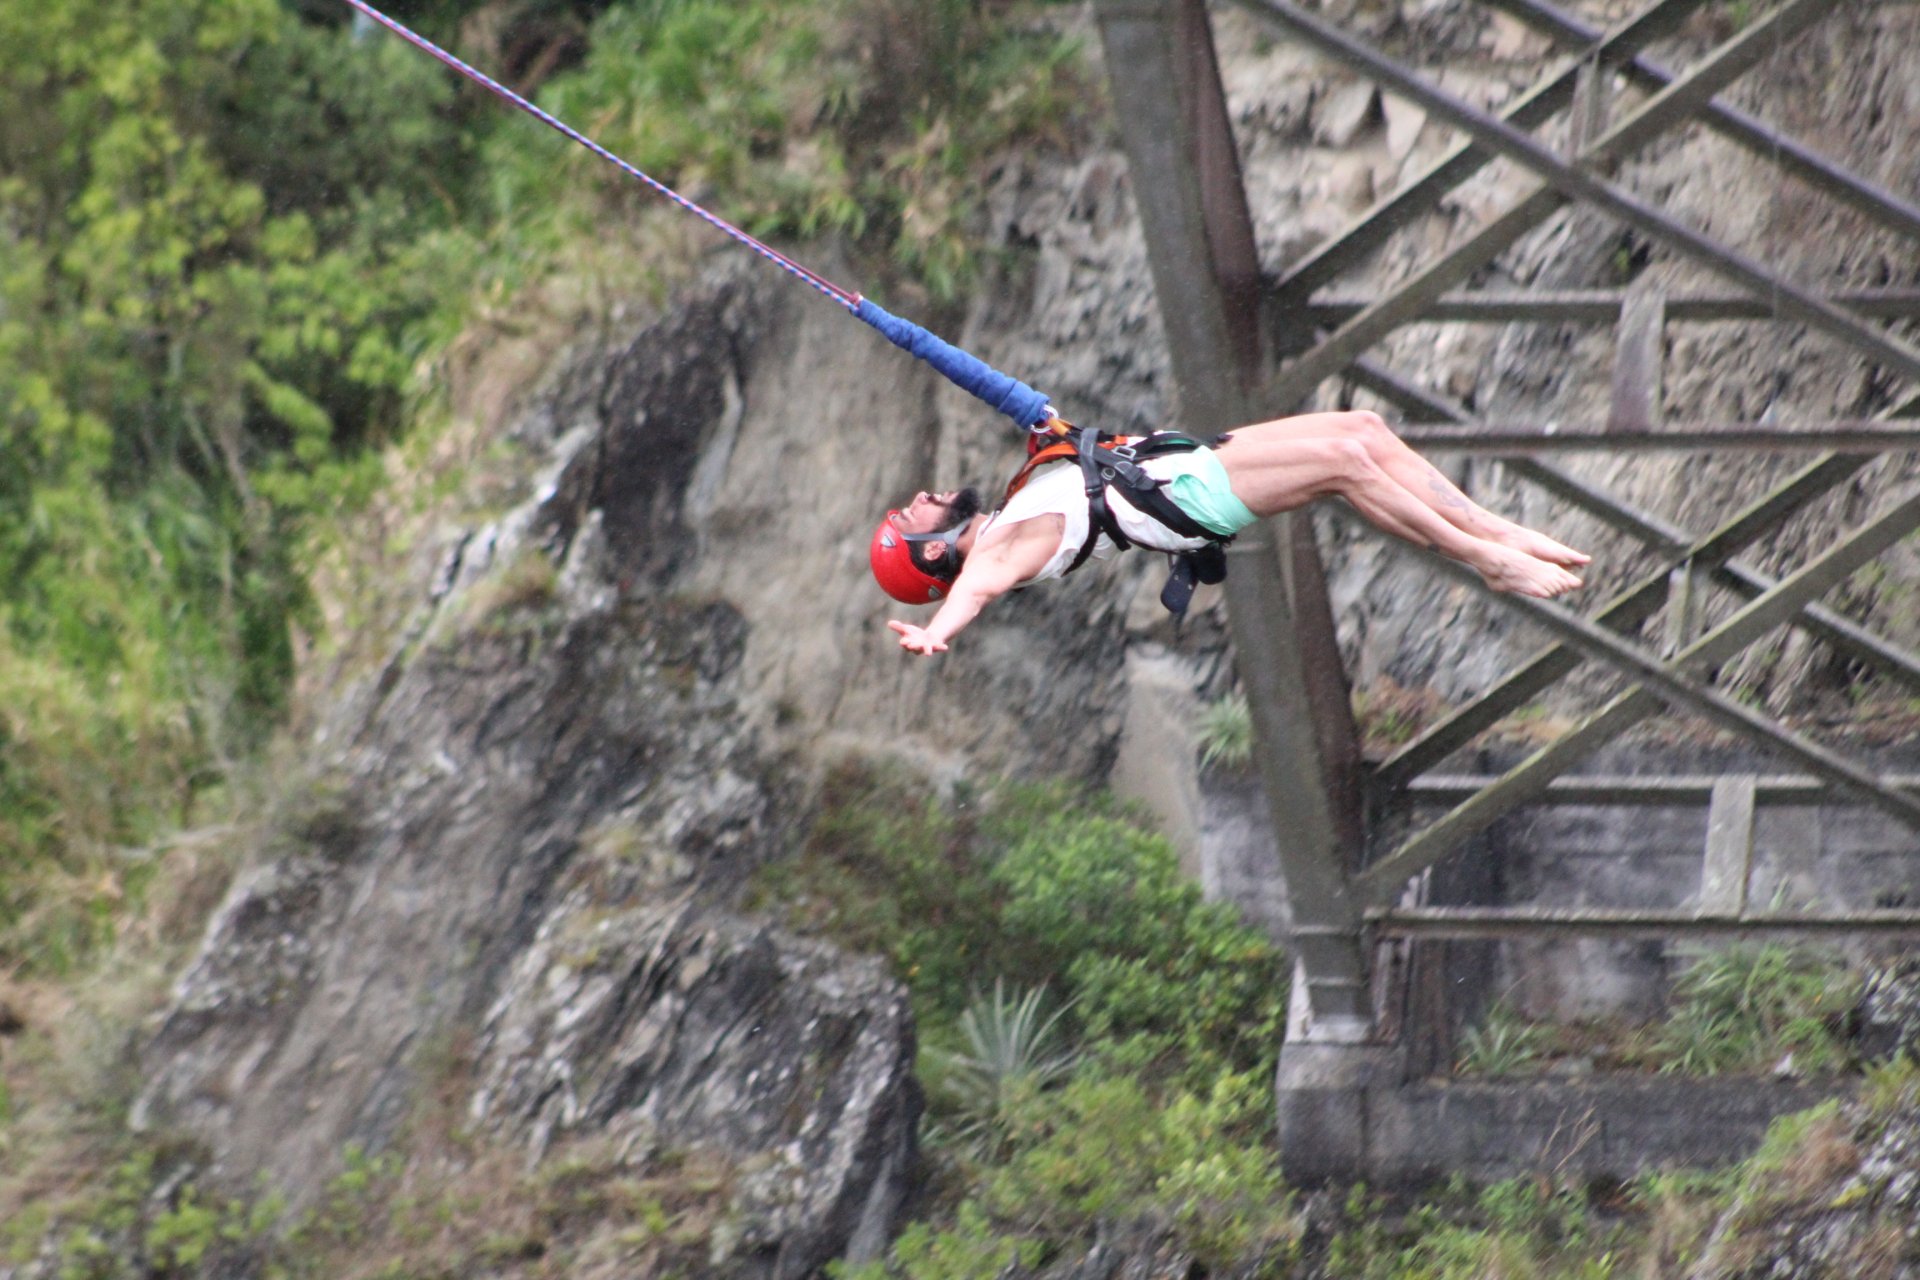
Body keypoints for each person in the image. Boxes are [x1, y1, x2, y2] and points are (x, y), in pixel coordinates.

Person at [870, 409, 1587, 656]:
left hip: (1184, 463)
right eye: (912, 516)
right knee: (1345, 463)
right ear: (934, 549)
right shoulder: (991, 555)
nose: (920, 497)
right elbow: (976, 591)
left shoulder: (1008, 510)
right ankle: (1487, 561)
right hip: (1185, 496)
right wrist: (941, 630)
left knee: (1361, 429)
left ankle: (1498, 531)